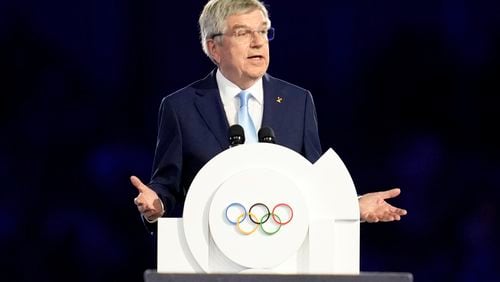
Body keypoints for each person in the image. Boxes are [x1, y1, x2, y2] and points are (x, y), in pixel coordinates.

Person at [131, 0, 407, 228]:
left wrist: (353, 206)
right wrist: (156, 204)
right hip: (211, 255)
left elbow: (313, 185)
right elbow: (167, 184)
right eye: (242, 33)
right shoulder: (180, 107)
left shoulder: (298, 102)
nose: (257, 42)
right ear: (214, 48)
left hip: (285, 252)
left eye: (263, 32)